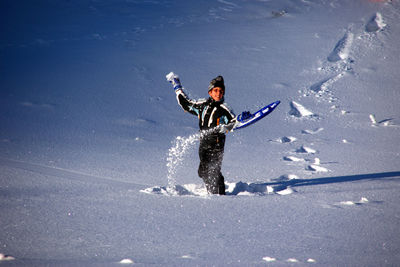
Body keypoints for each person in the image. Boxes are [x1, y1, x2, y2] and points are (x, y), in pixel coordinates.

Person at [166, 72, 236, 195]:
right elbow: (186, 104)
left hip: (217, 144)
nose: (218, 93)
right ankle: (212, 192)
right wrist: (177, 86)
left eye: (221, 91)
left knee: (213, 170)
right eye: (216, 90)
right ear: (210, 92)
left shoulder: (225, 109)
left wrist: (240, 120)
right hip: (203, 143)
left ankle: (219, 197)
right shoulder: (202, 105)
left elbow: (233, 122)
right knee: (202, 171)